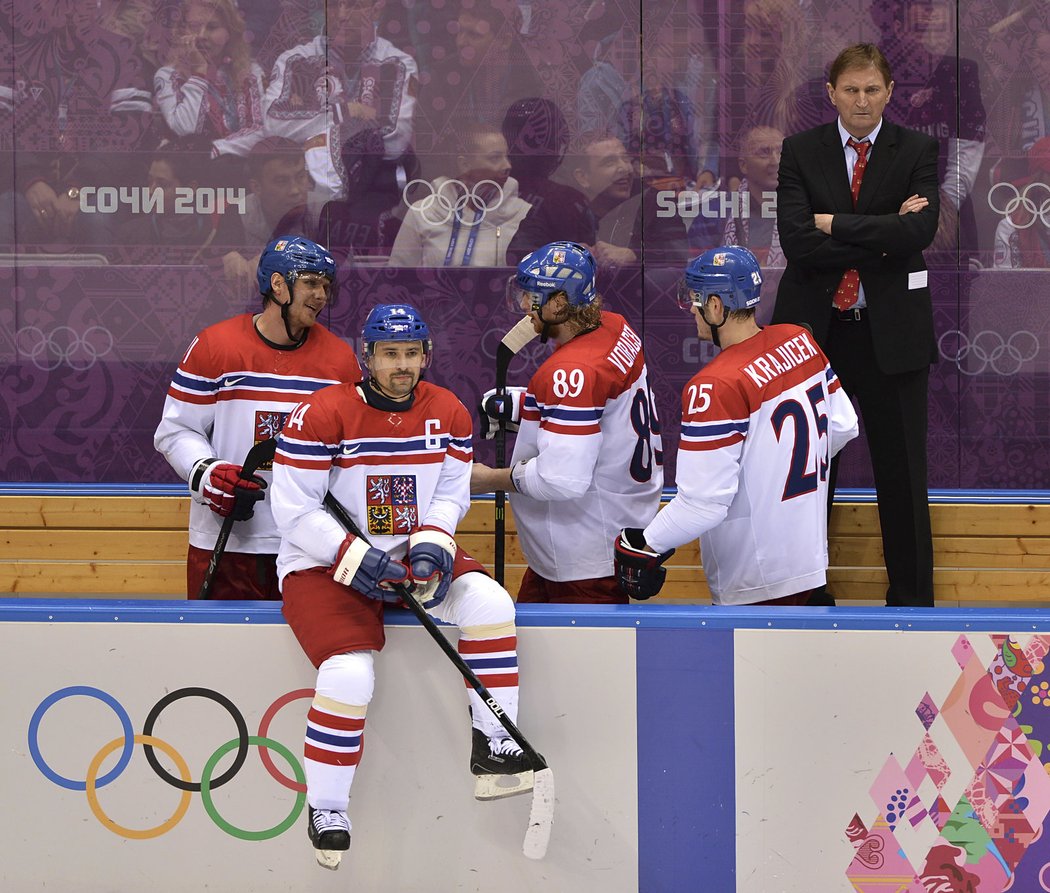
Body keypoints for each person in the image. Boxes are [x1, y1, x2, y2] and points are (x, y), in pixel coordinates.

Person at [269, 303, 531, 869]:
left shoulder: (449, 411)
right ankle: (328, 808)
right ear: (366, 358)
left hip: (408, 552)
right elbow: (291, 510)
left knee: (490, 601)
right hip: (322, 561)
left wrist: (435, 537)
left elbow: (449, 491)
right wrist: (351, 554)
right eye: (390, 355)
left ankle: (496, 742)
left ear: (425, 356)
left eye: (411, 354)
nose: (402, 366)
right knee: (349, 672)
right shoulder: (321, 414)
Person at [773, 43, 939, 607]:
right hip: (813, 341)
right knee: (807, 480)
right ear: (831, 93)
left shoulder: (917, 148)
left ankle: (913, 602)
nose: (862, 100)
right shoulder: (800, 150)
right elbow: (797, 241)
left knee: (904, 478)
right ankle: (805, 597)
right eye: (851, 90)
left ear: (889, 92)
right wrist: (883, 226)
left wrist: (835, 224)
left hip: (891, 335)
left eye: (872, 89)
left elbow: (918, 235)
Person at [612, 246, 858, 606]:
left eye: (695, 301)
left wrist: (646, 544)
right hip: (809, 561)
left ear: (715, 306)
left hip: (755, 577)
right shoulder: (799, 341)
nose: (692, 312)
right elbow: (844, 426)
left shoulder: (714, 385)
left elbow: (702, 504)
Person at [154, 236, 359, 600]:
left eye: (326, 286)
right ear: (277, 284)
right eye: (311, 283)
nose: (321, 295)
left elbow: (351, 452)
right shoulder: (215, 346)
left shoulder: (340, 360)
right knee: (221, 654)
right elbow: (176, 431)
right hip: (228, 537)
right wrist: (208, 474)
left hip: (308, 545)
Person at [471, 241, 663, 604]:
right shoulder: (615, 327)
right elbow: (600, 416)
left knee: (578, 660)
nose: (525, 307)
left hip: (584, 555)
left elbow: (562, 481)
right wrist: (524, 407)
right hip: (598, 534)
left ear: (559, 303)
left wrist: (488, 479)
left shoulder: (572, 370)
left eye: (532, 296)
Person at [262, 0, 418, 202]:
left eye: (353, 5)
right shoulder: (295, 60)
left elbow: (395, 140)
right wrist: (346, 112)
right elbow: (274, 127)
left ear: (376, 9)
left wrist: (314, 138)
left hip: (374, 196)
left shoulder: (399, 63)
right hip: (305, 195)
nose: (342, 15)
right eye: (334, 4)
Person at [387, 123, 531, 267]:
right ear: (465, 165)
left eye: (507, 157)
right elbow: (397, 277)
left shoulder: (524, 214)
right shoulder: (422, 213)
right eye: (495, 158)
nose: (507, 166)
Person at [154, 0, 266, 157]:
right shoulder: (168, 76)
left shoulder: (251, 73)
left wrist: (216, 150)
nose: (201, 36)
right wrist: (199, 72)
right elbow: (186, 130)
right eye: (193, 27)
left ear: (230, 32)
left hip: (238, 167)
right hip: (189, 168)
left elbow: (260, 130)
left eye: (212, 27)